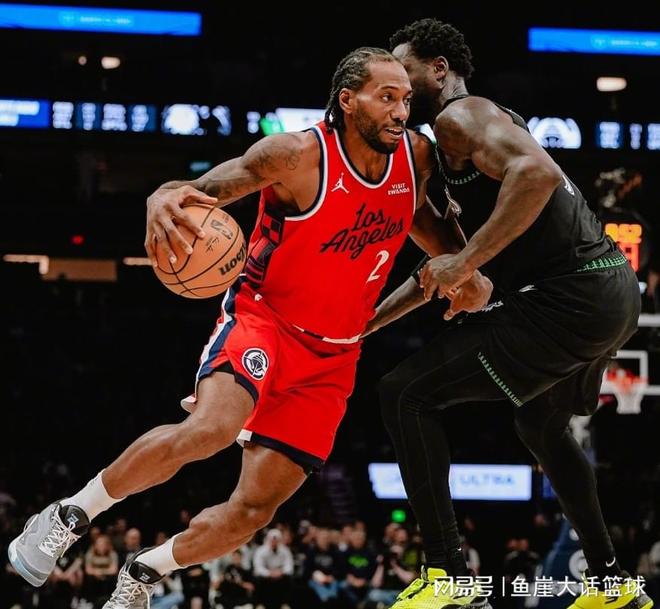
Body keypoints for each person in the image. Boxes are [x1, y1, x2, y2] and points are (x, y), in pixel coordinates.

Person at [8, 46, 491, 608]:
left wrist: (467, 269)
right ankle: (69, 514)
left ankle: (144, 571)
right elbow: (191, 193)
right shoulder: (294, 156)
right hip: (264, 320)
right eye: (386, 97)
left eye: (405, 99)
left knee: (254, 511)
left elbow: (424, 223)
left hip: (335, 355)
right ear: (347, 100)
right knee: (210, 430)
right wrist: (161, 196)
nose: (401, 111)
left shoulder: (417, 158)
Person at [367, 18, 650, 609]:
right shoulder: (447, 157)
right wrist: (359, 328)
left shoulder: (461, 115)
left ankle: (448, 576)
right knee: (539, 424)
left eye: (405, 69)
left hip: (569, 297)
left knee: (403, 393)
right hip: (610, 293)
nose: (399, 82)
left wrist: (465, 260)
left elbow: (537, 173)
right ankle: (612, 584)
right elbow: (443, 273)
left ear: (439, 69)